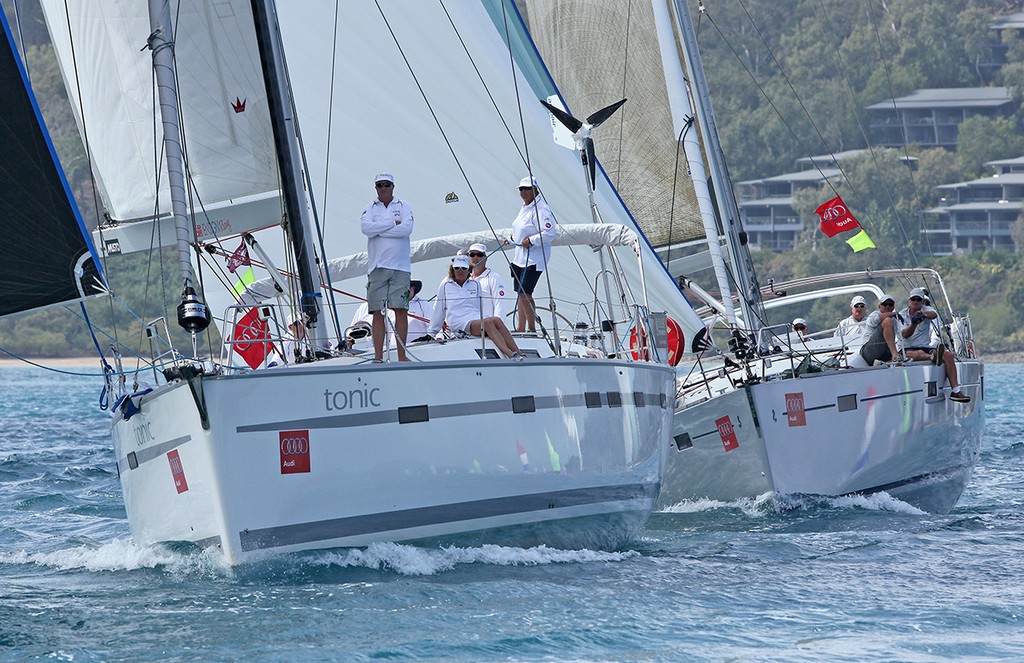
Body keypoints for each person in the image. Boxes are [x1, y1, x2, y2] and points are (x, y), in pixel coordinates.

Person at [427, 254, 523, 359]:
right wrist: (432, 333)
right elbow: (439, 309)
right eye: (457, 268)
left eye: (464, 268)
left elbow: (478, 307)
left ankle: (519, 352)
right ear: (452, 270)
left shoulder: (475, 284)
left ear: (469, 270)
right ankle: (509, 353)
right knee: (488, 323)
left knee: (497, 320)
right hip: (459, 322)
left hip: (474, 317)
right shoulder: (445, 284)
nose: (460, 271)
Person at [360, 172, 413, 362]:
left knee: (401, 310)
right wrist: (391, 223)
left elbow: (406, 229)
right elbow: (366, 229)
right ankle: (378, 356)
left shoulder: (404, 206)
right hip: (377, 266)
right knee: (377, 312)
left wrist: (379, 230)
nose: (383, 188)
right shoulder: (369, 207)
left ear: (393, 186)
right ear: (376, 188)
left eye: (387, 185)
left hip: (400, 267)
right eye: (380, 185)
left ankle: (402, 356)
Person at [900, 287, 970, 403]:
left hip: (925, 347)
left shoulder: (926, 309)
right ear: (909, 300)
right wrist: (914, 324)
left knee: (948, 355)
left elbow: (933, 314)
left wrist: (922, 315)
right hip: (907, 348)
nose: (916, 302)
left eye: (918, 300)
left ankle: (956, 391)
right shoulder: (902, 315)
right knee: (916, 354)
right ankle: (932, 357)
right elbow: (905, 335)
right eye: (913, 299)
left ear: (922, 301)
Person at [508, 176, 556, 332]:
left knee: (525, 293)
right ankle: (521, 328)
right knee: (520, 293)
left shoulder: (542, 209)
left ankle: (532, 328)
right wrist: (511, 239)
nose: (524, 192)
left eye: (527, 188)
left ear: (536, 189)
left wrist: (532, 240)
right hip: (520, 258)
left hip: (534, 258)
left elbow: (549, 233)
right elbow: (520, 228)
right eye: (521, 189)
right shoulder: (525, 207)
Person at [858, 293, 902, 365]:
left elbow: (899, 335)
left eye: (890, 304)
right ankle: (895, 356)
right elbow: (876, 319)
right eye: (885, 304)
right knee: (887, 321)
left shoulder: (894, 320)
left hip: (884, 351)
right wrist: (892, 314)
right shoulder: (874, 315)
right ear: (879, 306)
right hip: (868, 352)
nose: (888, 306)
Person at [468, 242, 507, 320]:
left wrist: (498, 327)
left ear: (486, 258)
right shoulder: (465, 279)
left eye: (479, 255)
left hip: (487, 327)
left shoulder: (494, 278)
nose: (475, 258)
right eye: (472, 255)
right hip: (468, 326)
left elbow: (500, 304)